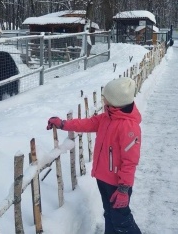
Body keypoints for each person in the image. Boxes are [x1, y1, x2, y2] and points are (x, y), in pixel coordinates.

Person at [46, 77, 142, 234]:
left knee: (122, 221)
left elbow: (130, 161)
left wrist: (124, 189)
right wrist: (63, 124)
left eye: (107, 97)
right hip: (103, 178)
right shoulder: (108, 117)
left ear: (116, 101)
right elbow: (86, 124)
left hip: (117, 184)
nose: (104, 99)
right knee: (109, 214)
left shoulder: (128, 126)